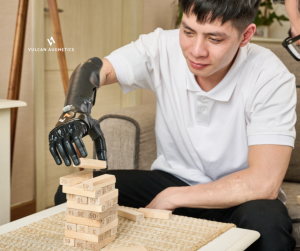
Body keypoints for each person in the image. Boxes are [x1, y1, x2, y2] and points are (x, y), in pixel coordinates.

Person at [50, 0, 297, 250]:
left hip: (238, 196)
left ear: (246, 36)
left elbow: (263, 182)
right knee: (74, 194)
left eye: (214, 39)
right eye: (188, 31)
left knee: (267, 224)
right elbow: (95, 68)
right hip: (172, 178)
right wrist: (75, 109)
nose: (196, 50)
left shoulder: (270, 77)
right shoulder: (161, 46)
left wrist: (173, 197)